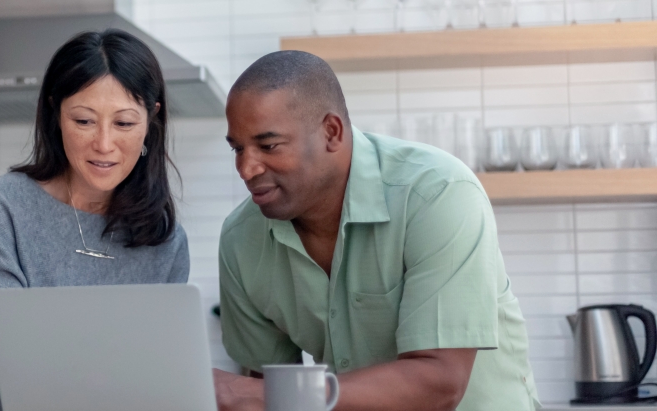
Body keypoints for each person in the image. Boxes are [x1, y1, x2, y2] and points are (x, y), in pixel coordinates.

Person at [213, 51, 539, 411]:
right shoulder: (240, 239)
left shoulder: (437, 192)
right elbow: (268, 394)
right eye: (237, 149)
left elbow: (441, 383)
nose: (246, 168)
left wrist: (249, 393)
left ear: (331, 132)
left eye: (268, 146)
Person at [0, 29, 190, 411]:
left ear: (151, 120)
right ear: (55, 113)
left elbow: (156, 373)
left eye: (124, 123)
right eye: (84, 121)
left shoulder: (165, 240)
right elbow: (16, 358)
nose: (104, 144)